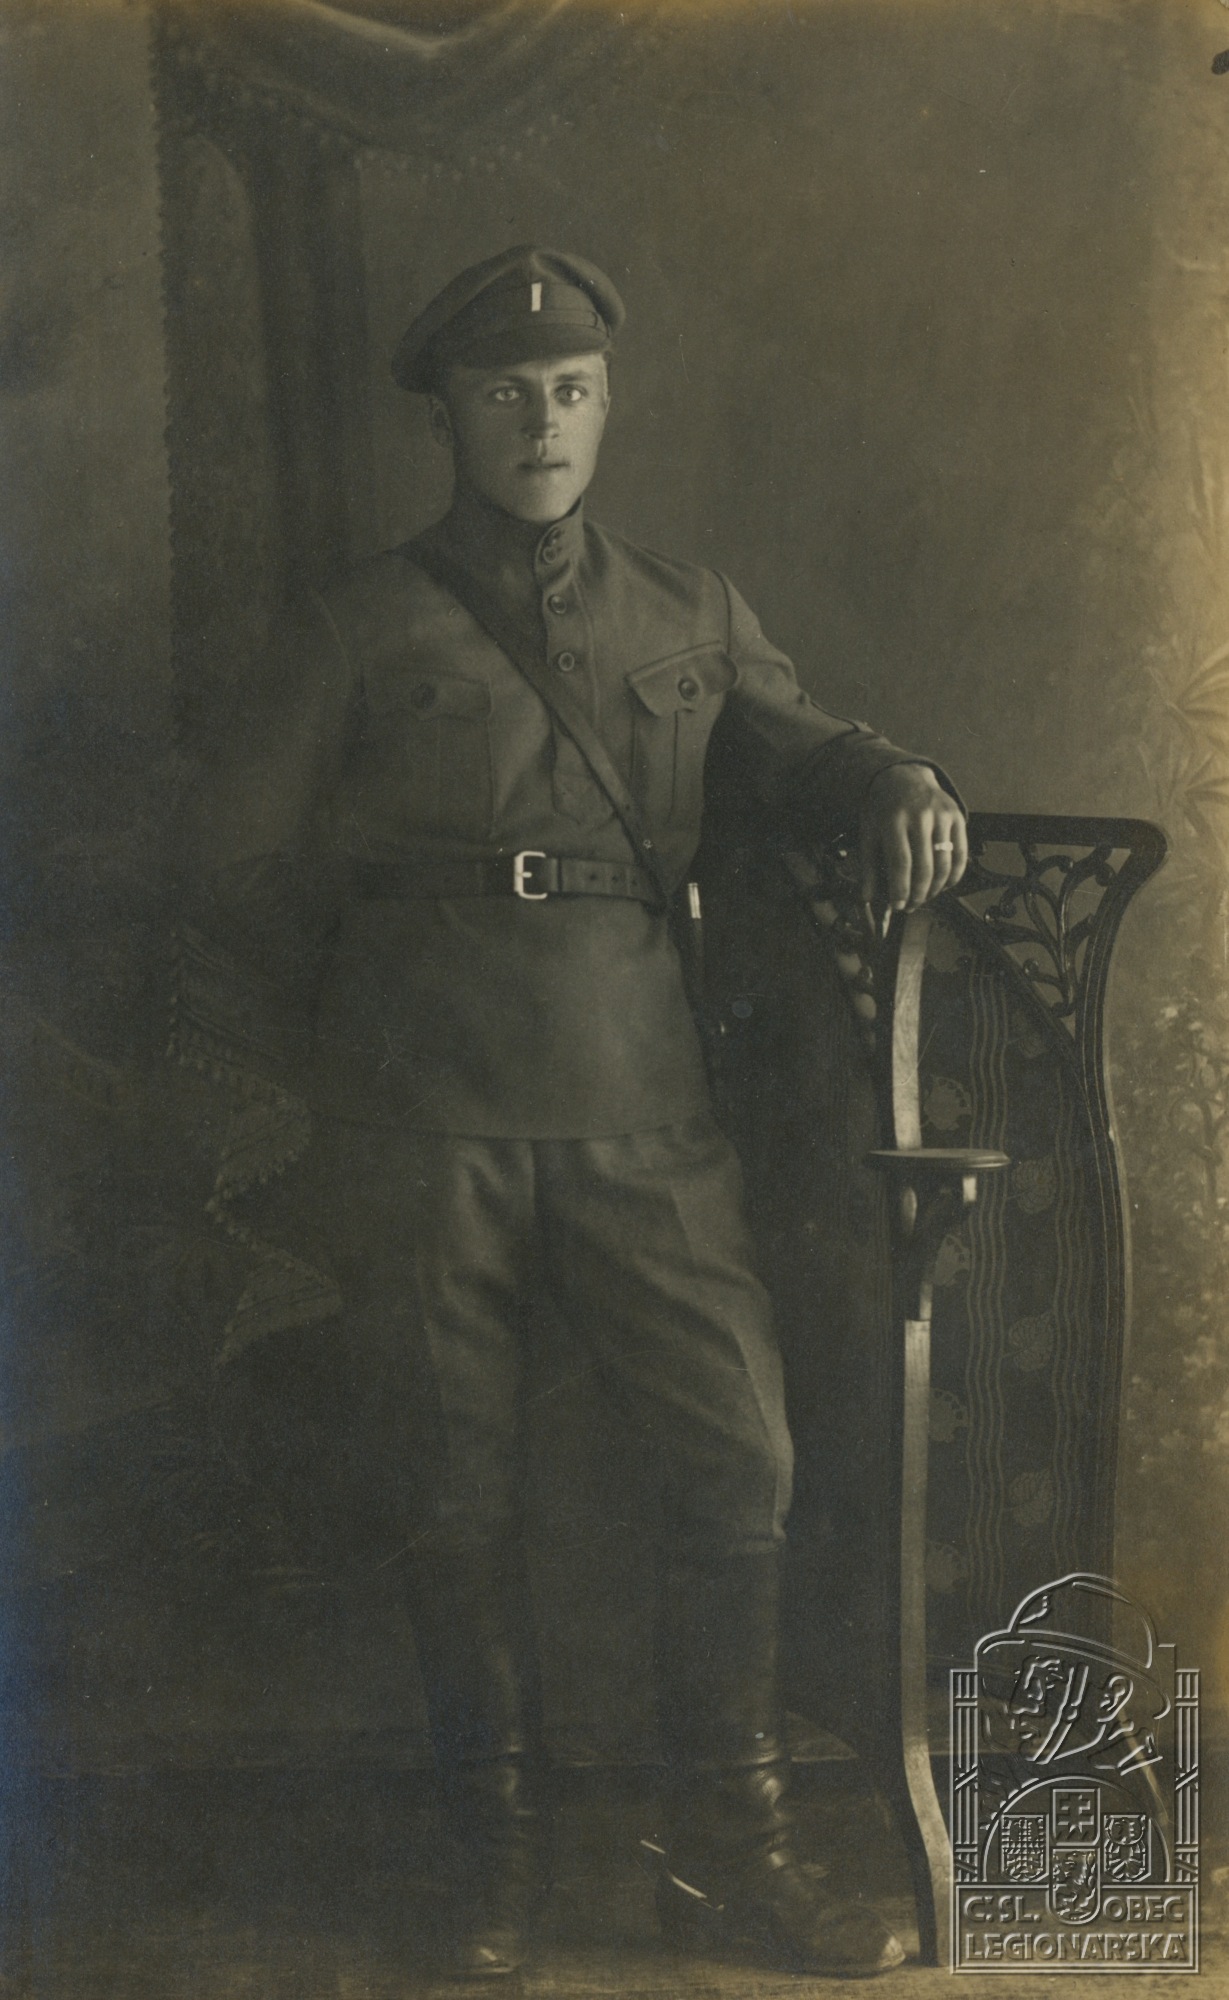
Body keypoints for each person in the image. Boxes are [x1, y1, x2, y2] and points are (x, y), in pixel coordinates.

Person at [186, 246, 967, 1980]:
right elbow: (229, 870)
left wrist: (899, 776)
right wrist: (359, 1033)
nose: (537, 423)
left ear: (605, 408)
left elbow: (807, 747)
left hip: (638, 1102)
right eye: (501, 394)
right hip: (421, 1112)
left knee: (738, 1454)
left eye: (567, 392)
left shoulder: (687, 610)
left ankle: (734, 1857)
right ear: (449, 419)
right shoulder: (355, 623)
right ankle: (496, 1871)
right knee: (449, 1480)